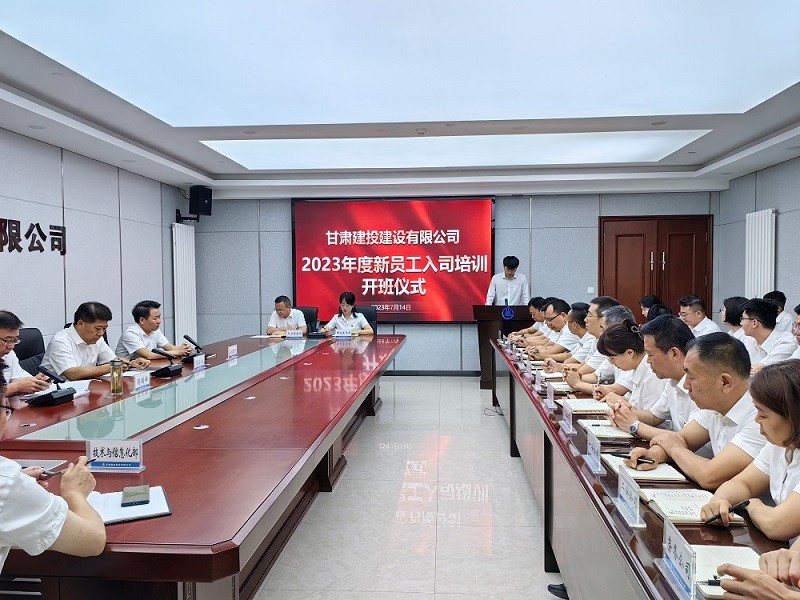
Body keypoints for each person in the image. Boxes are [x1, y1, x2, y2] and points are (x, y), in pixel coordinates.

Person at [0, 364, 106, 572]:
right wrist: (75, 493)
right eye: (6, 409)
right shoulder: (5, 482)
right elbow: (93, 541)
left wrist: (18, 481)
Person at [627, 333, 766, 490]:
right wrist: (653, 455)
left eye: (691, 377)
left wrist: (674, 448)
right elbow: (682, 439)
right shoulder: (716, 405)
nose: (685, 385)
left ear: (725, 382)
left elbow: (709, 476)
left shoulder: (760, 417)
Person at [700, 361, 800, 541]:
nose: (756, 420)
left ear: (793, 416)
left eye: (763, 414)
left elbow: (776, 525)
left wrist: (751, 504)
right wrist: (720, 500)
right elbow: (743, 483)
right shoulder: (780, 445)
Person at [608, 316, 697, 439]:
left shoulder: (701, 385)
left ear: (674, 353)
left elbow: (685, 438)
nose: (648, 361)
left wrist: (634, 426)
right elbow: (654, 416)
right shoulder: (672, 381)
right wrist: (622, 414)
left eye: (650, 355)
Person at [40, 302, 150, 380]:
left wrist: (130, 363)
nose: (101, 333)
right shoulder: (61, 341)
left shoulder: (97, 339)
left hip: (85, 389)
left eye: (104, 329)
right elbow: (72, 374)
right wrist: (112, 366)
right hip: (56, 394)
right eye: (97, 328)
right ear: (80, 324)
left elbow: (111, 360)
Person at [592, 320, 666, 410]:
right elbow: (636, 402)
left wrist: (619, 400)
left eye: (612, 358)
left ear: (629, 353)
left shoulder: (652, 372)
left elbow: (650, 414)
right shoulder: (635, 368)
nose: (611, 362)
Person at [115, 301, 193, 360]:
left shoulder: (155, 330)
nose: (159, 321)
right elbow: (148, 355)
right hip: (127, 372)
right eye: (155, 318)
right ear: (142, 320)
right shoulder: (130, 333)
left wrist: (184, 349)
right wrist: (177, 352)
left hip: (147, 367)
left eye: (159, 317)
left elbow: (169, 347)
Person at [740, 298, 798, 373]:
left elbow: (759, 371)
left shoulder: (787, 342)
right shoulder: (749, 340)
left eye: (742, 319)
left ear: (754, 323)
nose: (741, 323)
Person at [0, 310, 50, 396]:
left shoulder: (9, 354)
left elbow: (18, 379)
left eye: (15, 340)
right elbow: (16, 385)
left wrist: (34, 382)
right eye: (7, 341)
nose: (11, 346)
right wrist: (15, 387)